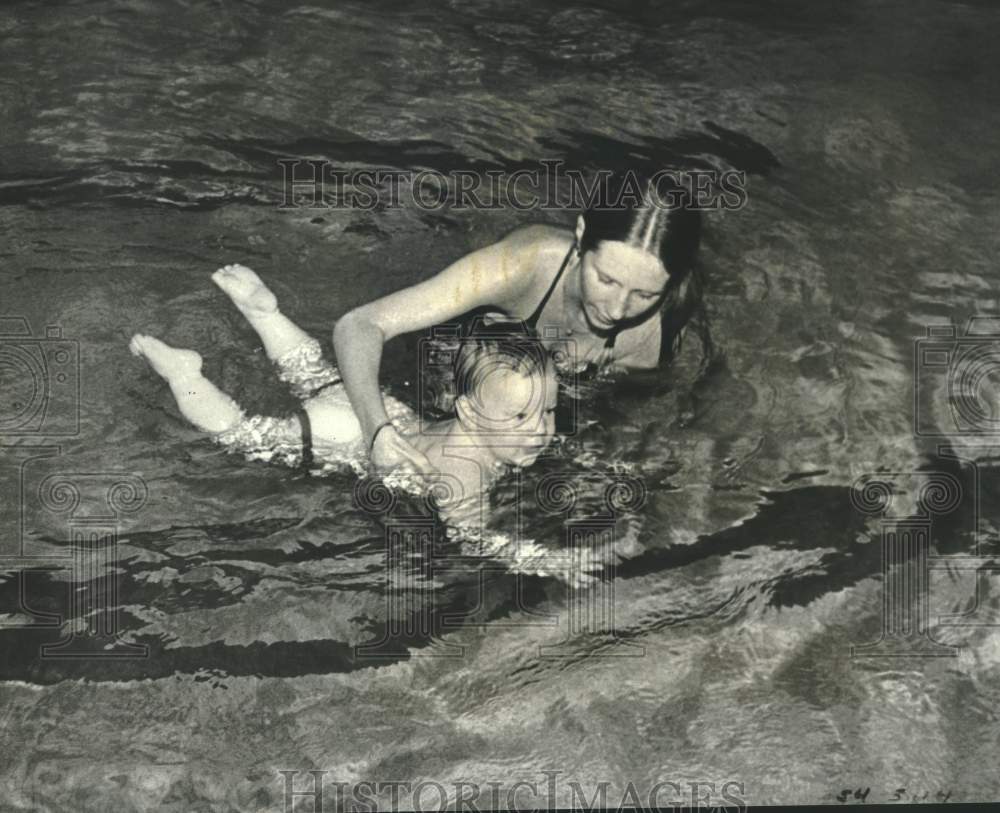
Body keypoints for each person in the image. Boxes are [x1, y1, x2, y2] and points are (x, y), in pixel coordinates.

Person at [332, 170, 706, 475]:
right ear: (580, 238)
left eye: (645, 295)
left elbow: (643, 416)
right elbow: (360, 324)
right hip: (453, 363)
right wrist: (377, 430)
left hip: (536, 416)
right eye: (606, 280)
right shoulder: (524, 266)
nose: (618, 309)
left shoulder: (657, 337)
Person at [130, 264, 558, 520]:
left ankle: (268, 316)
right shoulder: (467, 474)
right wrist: (532, 558)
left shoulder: (467, 423)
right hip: (344, 440)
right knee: (242, 434)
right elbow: (475, 537)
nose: (541, 429)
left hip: (380, 415)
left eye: (549, 411)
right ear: (469, 411)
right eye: (520, 417)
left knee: (320, 378)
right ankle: (185, 376)